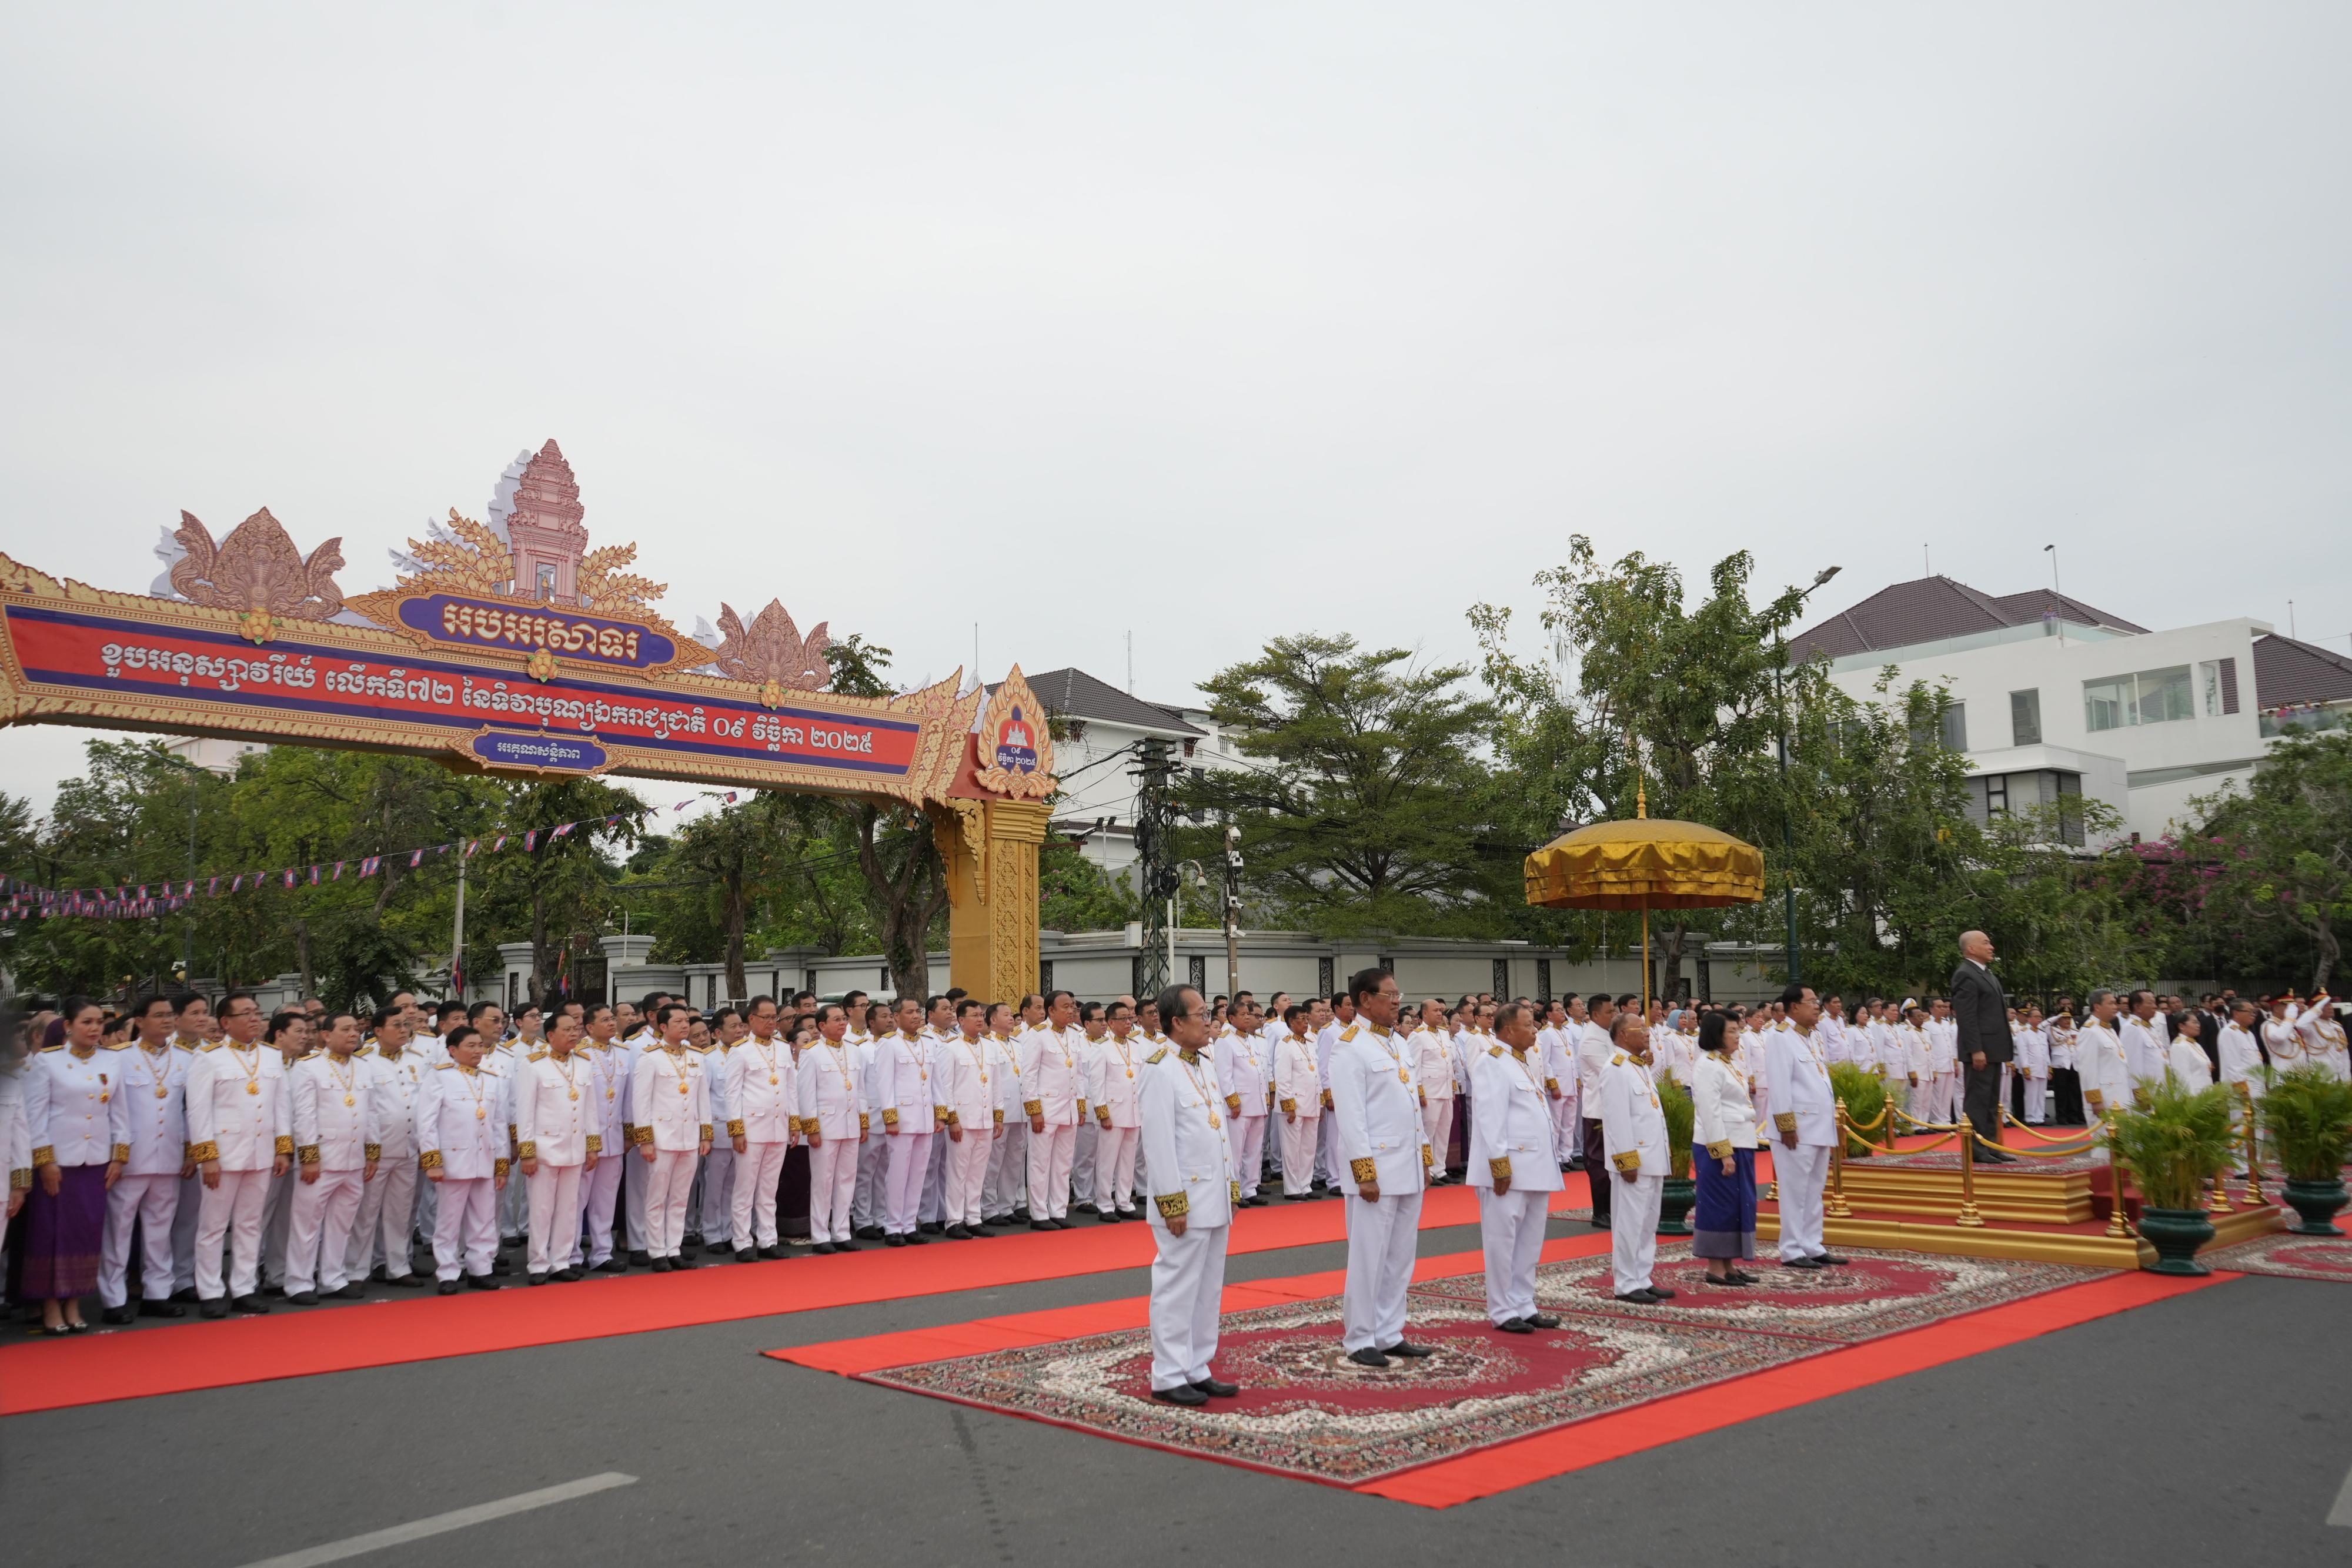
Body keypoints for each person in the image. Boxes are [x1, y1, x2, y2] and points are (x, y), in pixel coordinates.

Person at [1138, 983, 1240, 1407]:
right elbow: (1159, 1143)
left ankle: (1197, 1366)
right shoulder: (1159, 1068)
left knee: (1208, 1287)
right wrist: (1172, 1203)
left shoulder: (1203, 1063)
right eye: (1201, 1015)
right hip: (1185, 1198)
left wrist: (1232, 1187)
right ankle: (1167, 1373)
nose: (1209, 1021)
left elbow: (1217, 1130)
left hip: (1213, 1193)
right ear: (1177, 1022)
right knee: (1177, 1286)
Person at [1329, 967, 1435, 1369]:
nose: (1396, 1002)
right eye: (1389, 995)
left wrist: (1424, 1158)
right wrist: (1364, 1172)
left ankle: (1390, 1331)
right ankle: (1360, 1337)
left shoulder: (1397, 1042)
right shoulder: (1349, 1046)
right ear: (1364, 1000)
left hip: (1406, 1164)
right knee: (1369, 1257)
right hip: (1375, 1168)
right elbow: (1351, 1116)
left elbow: (1410, 1109)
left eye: (1397, 995)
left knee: (1400, 1255)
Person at [185, 992, 292, 1318]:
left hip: (261, 1152)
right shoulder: (208, 1058)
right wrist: (207, 1156)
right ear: (226, 1022)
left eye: (256, 1012)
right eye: (245, 1013)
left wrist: (283, 1149)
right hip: (224, 1155)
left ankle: (244, 1287)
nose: (254, 1018)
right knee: (213, 1226)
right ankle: (210, 1290)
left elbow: (281, 1106)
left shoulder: (271, 1056)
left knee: (250, 1224)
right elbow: (198, 1111)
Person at [1469, 1001, 1563, 1333]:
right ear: (1509, 1030)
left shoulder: (1520, 1061)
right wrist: (1499, 1164)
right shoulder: (1492, 1062)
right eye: (1528, 1025)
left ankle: (1524, 1303)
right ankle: (1502, 1309)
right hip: (1509, 1167)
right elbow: (1490, 1117)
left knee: (1529, 1242)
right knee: (1502, 1241)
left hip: (1535, 1166)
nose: (1534, 1030)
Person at [22, 999, 116, 1333]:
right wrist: (45, 1160)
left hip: (96, 1161)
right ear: (68, 1026)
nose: (94, 1028)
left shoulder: (111, 1060)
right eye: (86, 1022)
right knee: (51, 1232)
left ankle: (74, 1301)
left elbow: (119, 1113)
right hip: (59, 1161)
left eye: (99, 1022)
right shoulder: (48, 1062)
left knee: (86, 1231)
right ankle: (50, 1304)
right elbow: (35, 1116)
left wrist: (119, 1156)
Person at [98, 994, 191, 1324]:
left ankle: (157, 1293)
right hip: (131, 1158)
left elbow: (189, 1110)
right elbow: (111, 1109)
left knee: (160, 1229)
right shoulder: (119, 1057)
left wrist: (191, 1149)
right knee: (119, 1230)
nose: (167, 1021)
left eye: (170, 1015)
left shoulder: (186, 1058)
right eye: (159, 1015)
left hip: (169, 1155)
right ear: (139, 1021)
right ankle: (113, 1298)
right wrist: (117, 1153)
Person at [283, 1010, 380, 1305]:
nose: (354, 1034)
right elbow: (303, 1115)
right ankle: (299, 1282)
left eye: (356, 1029)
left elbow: (371, 1113)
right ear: (326, 1035)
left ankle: (333, 1278)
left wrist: (372, 1152)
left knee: (342, 1223)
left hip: (353, 1159)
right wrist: (309, 1157)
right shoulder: (308, 1067)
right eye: (346, 1029)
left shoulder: (363, 1067)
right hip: (322, 1159)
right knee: (307, 1223)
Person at [1762, 982, 1846, 1271]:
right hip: (1797, 1128)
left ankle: (1813, 1244)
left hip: (1818, 1125)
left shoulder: (1810, 1036)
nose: (1817, 1006)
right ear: (1794, 1007)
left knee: (1814, 1190)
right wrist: (1786, 1125)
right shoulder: (1780, 1037)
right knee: (1795, 1191)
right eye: (1811, 1001)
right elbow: (1779, 1083)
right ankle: (1791, 1248)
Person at [515, 1009, 600, 1284]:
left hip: (574, 1147)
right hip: (545, 1148)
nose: (574, 1034)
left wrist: (592, 1146)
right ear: (551, 1035)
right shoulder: (534, 1065)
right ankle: (538, 1263)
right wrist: (527, 1152)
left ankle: (561, 1261)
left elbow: (591, 1108)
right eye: (568, 1030)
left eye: (576, 1029)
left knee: (569, 1207)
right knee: (542, 1209)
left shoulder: (584, 1063)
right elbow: (525, 1112)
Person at [1595, 1012, 1673, 1303]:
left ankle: (1643, 1276)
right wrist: (1626, 1160)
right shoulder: (1616, 1068)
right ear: (1622, 1035)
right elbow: (1616, 1119)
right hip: (1634, 1158)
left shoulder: (1637, 1065)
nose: (1646, 1033)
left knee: (1648, 1222)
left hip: (1653, 1155)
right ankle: (1626, 1283)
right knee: (1629, 1223)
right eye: (1639, 1029)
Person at [349, 1004, 427, 1286]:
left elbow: (424, 1104)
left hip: (409, 1147)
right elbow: (364, 1108)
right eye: (397, 1025)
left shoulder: (417, 1060)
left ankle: (397, 1265)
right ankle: (356, 1270)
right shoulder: (363, 1062)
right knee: (366, 1212)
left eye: (406, 1024)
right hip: (378, 1150)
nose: (404, 1030)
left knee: (400, 1212)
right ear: (378, 1031)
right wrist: (370, 1149)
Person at [630, 1003, 711, 1271]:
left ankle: (673, 1248)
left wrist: (705, 1135)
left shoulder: (696, 1056)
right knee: (657, 1197)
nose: (685, 1025)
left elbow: (703, 1099)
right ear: (663, 1027)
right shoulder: (650, 1057)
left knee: (680, 1197)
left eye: (686, 1021)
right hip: (662, 1137)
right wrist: (645, 1139)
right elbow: (641, 1102)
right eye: (678, 1022)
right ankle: (656, 1251)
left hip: (689, 1136)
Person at [1689, 1009, 1761, 1287]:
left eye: (1737, 1030)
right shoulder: (1707, 1065)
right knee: (1719, 1204)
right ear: (1716, 1034)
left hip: (1741, 1140)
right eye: (1731, 1031)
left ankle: (1729, 1264)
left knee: (1737, 1204)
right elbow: (1710, 1111)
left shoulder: (1729, 1062)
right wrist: (1723, 1152)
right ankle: (1715, 1267)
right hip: (1719, 1145)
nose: (1737, 1036)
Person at [798, 1003, 867, 1253]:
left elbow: (860, 1089)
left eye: (843, 1019)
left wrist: (863, 1122)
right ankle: (820, 1235)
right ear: (822, 1025)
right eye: (836, 1020)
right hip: (826, 1127)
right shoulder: (812, 1053)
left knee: (846, 1180)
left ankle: (841, 1232)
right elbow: (806, 1094)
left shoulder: (854, 1050)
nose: (842, 1023)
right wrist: (812, 1128)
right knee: (823, 1182)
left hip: (850, 1125)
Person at [1019, 991, 1084, 1230]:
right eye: (1065, 1007)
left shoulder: (1075, 1035)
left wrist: (1080, 1106)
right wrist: (1034, 1110)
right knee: (1040, 1162)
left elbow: (1079, 1073)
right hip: (1045, 1109)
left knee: (1063, 1164)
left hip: (1068, 1108)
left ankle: (1058, 1210)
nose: (1071, 1010)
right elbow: (1028, 1075)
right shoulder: (1038, 1035)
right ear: (1051, 1010)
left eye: (1072, 1006)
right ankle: (1039, 1213)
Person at [1949, 931, 2015, 1161]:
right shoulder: (1965, 974)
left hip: (1994, 1048)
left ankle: (1991, 1145)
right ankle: (1976, 1150)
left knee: (1991, 1101)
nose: (1991, 947)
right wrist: (1976, 1049)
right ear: (1971, 949)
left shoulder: (1985, 973)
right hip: (1981, 1050)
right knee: (1978, 1100)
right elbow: (1967, 1017)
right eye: (1986, 943)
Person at [575, 1004, 632, 1272]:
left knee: (606, 1199)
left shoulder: (624, 1052)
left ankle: (602, 1253)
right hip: (587, 1139)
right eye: (605, 1020)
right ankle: (571, 1254)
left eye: (612, 1019)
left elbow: (628, 1098)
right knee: (577, 1199)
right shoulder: (579, 1054)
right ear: (589, 1027)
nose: (612, 1023)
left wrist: (630, 1134)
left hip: (614, 1136)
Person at [936, 999, 998, 1239]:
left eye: (982, 1015)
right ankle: (954, 1220)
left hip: (985, 1119)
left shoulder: (990, 1046)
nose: (980, 1019)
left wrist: (998, 1115)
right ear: (961, 1020)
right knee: (958, 1173)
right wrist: (952, 1119)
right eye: (975, 1016)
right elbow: (946, 1087)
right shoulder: (950, 1048)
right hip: (962, 1120)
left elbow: (996, 1085)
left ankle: (973, 1217)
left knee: (977, 1172)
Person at [1087, 999, 1144, 1220]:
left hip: (1133, 1111)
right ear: (1111, 1023)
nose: (1128, 1022)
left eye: (1130, 1018)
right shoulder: (1101, 1048)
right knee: (1107, 1161)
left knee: (1128, 1160)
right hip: (1112, 1112)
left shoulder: (1135, 1046)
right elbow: (1096, 1084)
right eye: (1123, 1019)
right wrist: (1103, 1113)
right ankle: (1104, 1204)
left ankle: (1124, 1202)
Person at [1212, 997, 1272, 1206]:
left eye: (1249, 1014)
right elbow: (1224, 1075)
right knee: (1236, 1152)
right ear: (1231, 1018)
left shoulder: (1252, 1039)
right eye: (1243, 1015)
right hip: (1239, 1105)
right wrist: (1233, 1101)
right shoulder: (1225, 1040)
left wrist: (1265, 1099)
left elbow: (1260, 1071)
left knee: (1254, 1151)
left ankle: (1250, 1188)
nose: (1248, 1018)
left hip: (1257, 1102)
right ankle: (1234, 1191)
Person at [1575, 993, 1619, 1229]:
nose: (1614, 1015)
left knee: (1612, 1159)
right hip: (1598, 1110)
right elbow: (1610, 1071)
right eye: (1609, 1012)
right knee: (1599, 1162)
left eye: (1614, 1010)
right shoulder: (1592, 1039)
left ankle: (1613, 1207)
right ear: (1595, 1014)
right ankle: (1601, 1211)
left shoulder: (1606, 1034)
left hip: (1613, 1107)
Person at [1271, 1004, 1323, 1200]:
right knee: (1292, 1149)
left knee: (1308, 1148)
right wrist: (1289, 1106)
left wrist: (1320, 1102)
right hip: (1294, 1104)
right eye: (1303, 1019)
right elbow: (1283, 1078)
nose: (1306, 1022)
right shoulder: (1285, 1045)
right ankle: (1292, 1188)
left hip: (1311, 1102)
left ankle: (1305, 1185)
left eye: (1307, 1019)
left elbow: (1316, 1074)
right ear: (1292, 1022)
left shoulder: (1311, 1042)